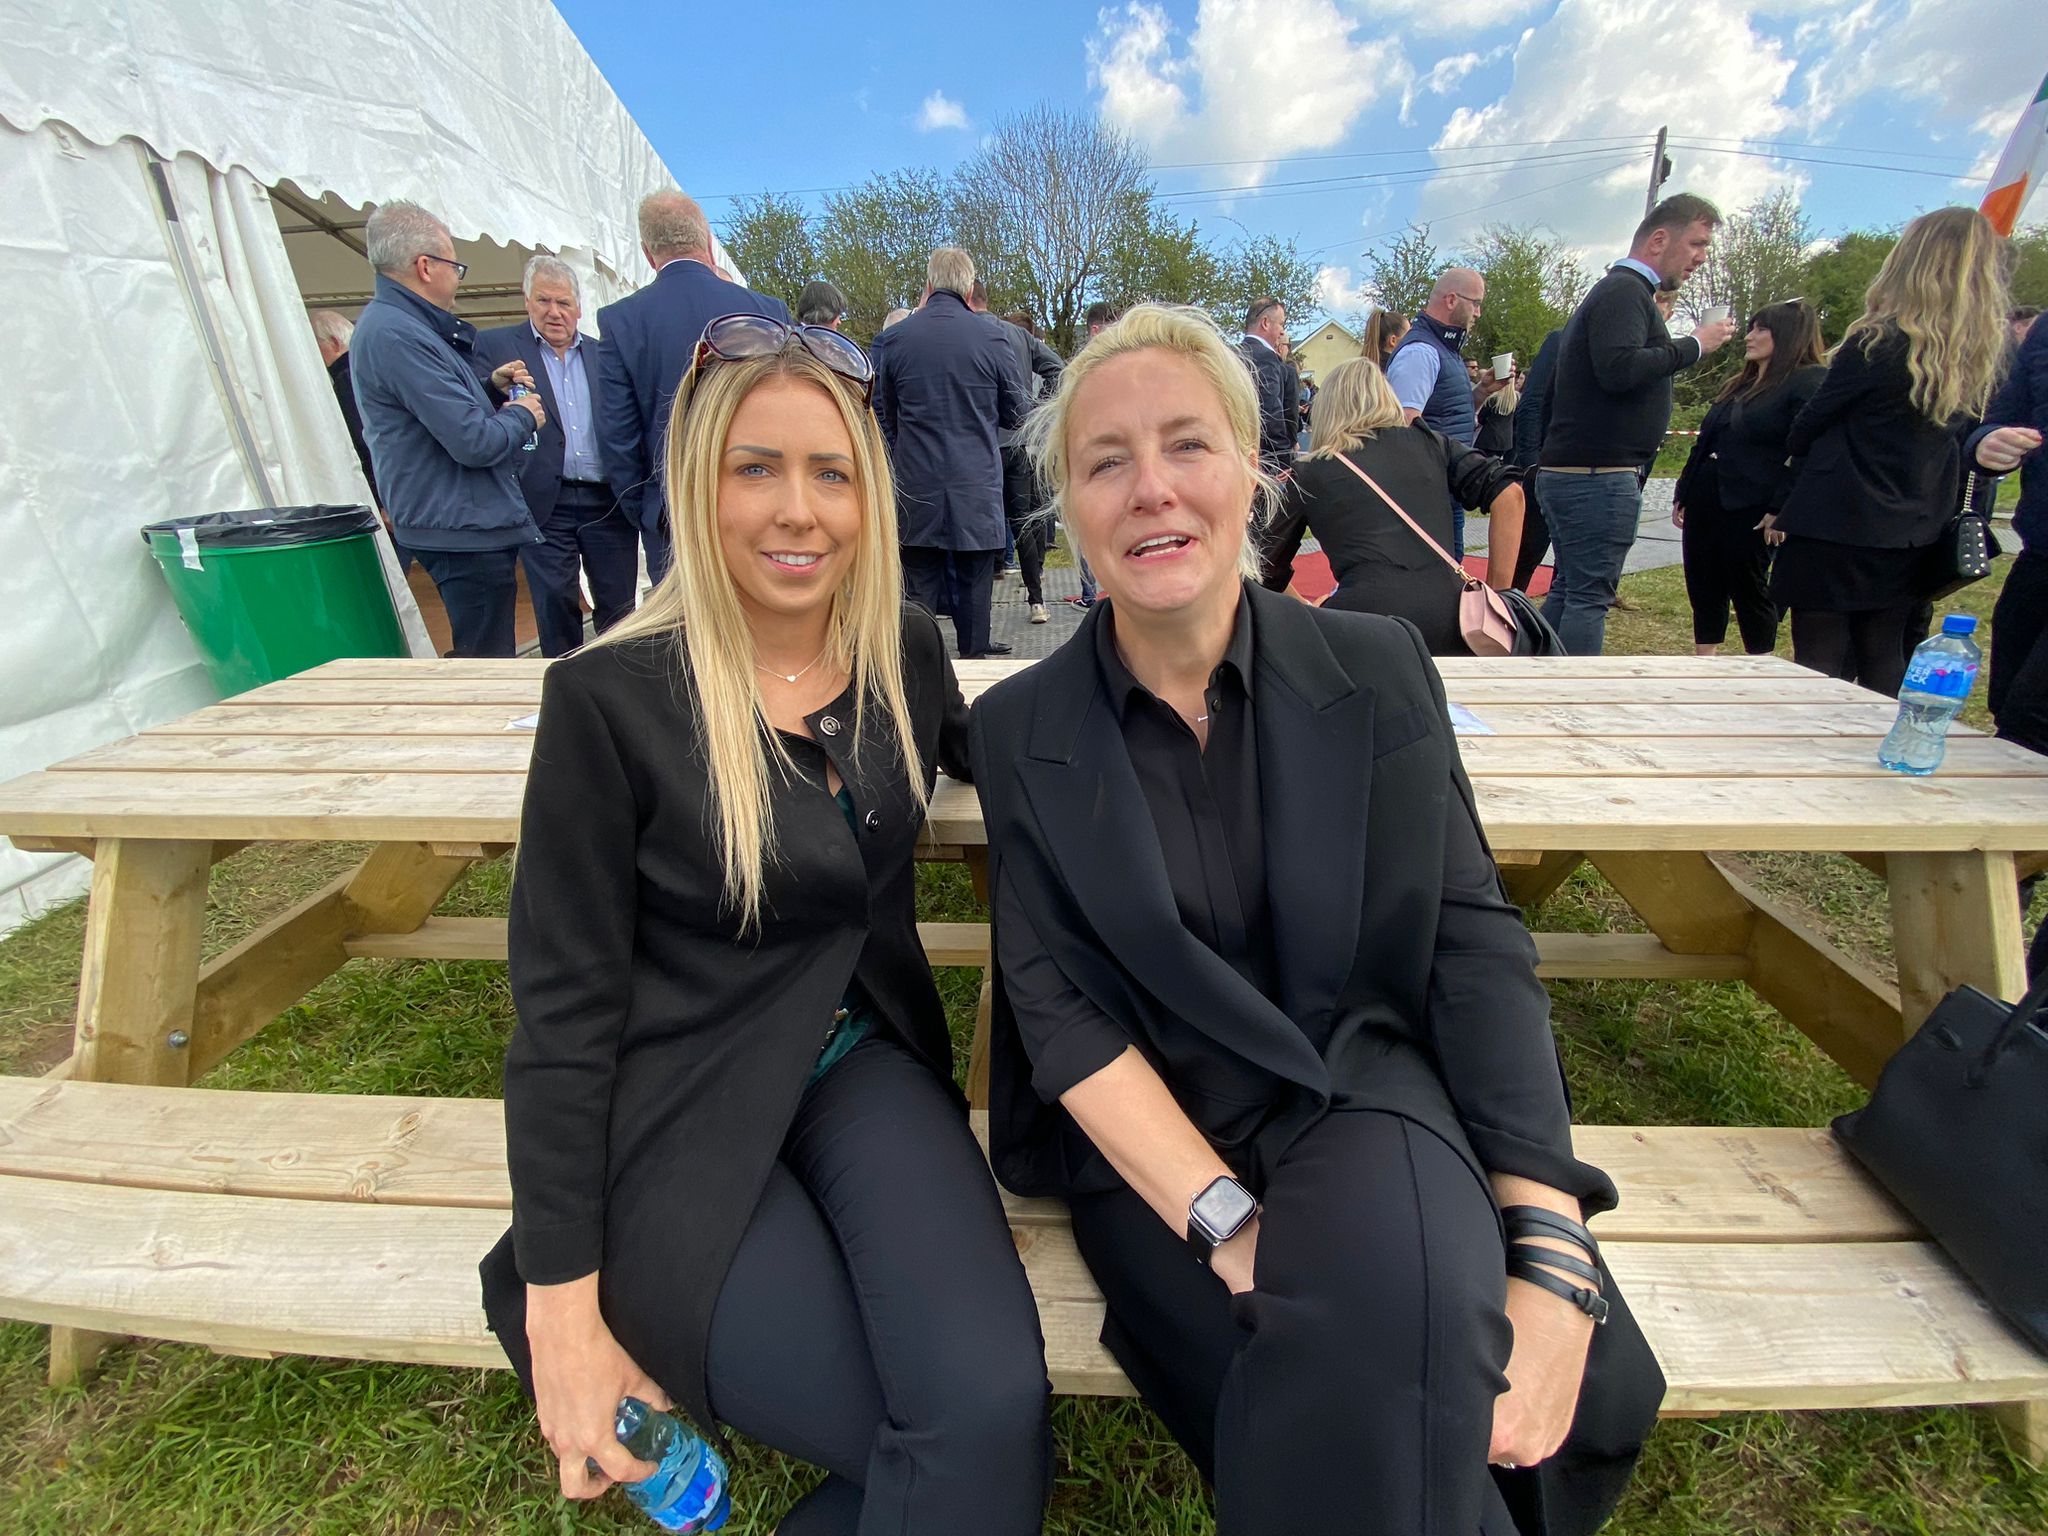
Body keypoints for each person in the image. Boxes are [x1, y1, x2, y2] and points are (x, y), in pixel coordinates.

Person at [972, 303, 1661, 1536]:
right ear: (1066, 505)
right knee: (1372, 1387)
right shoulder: (1020, 730)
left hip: (1358, 1090)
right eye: (1105, 461)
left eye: (1187, 444)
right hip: (1158, 1144)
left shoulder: (1377, 665)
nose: (1150, 488)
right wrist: (1232, 1231)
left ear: (1252, 471)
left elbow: (1469, 945)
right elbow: (1058, 1015)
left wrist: (1551, 1253)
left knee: (1376, 1337)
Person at [479, 312, 1052, 1536]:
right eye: (757, 468)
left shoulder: (902, 647)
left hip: (858, 1066)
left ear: (868, 497)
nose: (799, 511)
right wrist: (560, 1307)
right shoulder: (604, 702)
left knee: (992, 1409)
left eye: (830, 473)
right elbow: (561, 1020)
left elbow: (1014, 754)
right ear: (700, 484)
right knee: (932, 1449)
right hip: (673, 1109)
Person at [1769, 208, 2035, 697]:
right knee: (1884, 648)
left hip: (1837, 519)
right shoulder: (1981, 354)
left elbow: (1803, 430)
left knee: (1819, 657)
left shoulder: (1876, 341)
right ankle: (1879, 737)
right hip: (1915, 524)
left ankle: (1815, 738)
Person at [1537, 194, 1736, 655]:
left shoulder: (1618, 292)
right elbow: (1619, 368)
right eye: (1697, 244)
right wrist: (1694, 345)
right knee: (1588, 597)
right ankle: (1569, 694)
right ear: (1659, 239)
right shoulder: (1625, 292)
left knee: (1571, 589)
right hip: (1597, 476)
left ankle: (1537, 681)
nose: (1701, 258)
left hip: (1579, 470)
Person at [348, 200, 543, 658]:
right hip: (462, 525)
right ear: (425, 266)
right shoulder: (398, 334)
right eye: (455, 266)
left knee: (485, 651)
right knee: (486, 662)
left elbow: (432, 418)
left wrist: (488, 389)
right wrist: (523, 414)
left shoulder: (397, 327)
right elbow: (473, 442)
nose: (458, 278)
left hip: (457, 517)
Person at [1260, 356, 1526, 655]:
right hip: (1451, 618)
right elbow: (1510, 495)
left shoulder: (1312, 471)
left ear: (1326, 409)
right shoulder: (1432, 444)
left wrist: (1308, 609)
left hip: (1364, 622)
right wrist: (1498, 595)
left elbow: (1263, 566)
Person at [597, 190, 789, 584]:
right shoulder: (767, 312)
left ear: (648, 253)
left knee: (683, 621)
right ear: (708, 243)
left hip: (671, 515)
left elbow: (618, 436)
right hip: (761, 506)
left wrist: (647, 511)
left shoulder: (622, 321)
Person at [473, 256, 638, 658]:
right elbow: (472, 409)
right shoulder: (496, 348)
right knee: (555, 608)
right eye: (544, 301)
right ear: (526, 301)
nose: (554, 312)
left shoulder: (605, 354)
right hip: (544, 499)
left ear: (579, 308)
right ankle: (563, 683)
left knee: (619, 608)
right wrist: (493, 386)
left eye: (563, 303)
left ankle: (619, 683)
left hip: (607, 501)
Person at [871, 247, 1029, 659]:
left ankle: (917, 675)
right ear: (969, 288)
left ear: (928, 284)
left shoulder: (896, 339)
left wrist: (905, 448)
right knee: (975, 587)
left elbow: (884, 412)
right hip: (975, 482)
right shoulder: (992, 337)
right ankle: (974, 663)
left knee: (917, 591)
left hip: (915, 482)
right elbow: (1018, 412)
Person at [1670, 299, 1826, 657]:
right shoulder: (1739, 384)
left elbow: (1806, 452)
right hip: (1707, 495)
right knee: (1703, 581)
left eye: (1761, 329)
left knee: (1749, 587)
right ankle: (1704, 663)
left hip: (1753, 503)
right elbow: (1706, 441)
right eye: (1751, 327)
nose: (1749, 336)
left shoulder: (1806, 382)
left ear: (1787, 335)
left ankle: (1761, 662)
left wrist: (1781, 508)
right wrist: (1684, 490)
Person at [1976, 304, 2048, 755]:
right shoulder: (2044, 332)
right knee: (2006, 700)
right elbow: (2001, 416)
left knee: (2030, 716)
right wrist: (1987, 442)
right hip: (2038, 552)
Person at [972, 287, 1064, 624]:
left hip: (981, 444)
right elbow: (1057, 368)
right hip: (1018, 440)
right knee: (1023, 521)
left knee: (980, 524)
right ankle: (1036, 600)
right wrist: (1035, 410)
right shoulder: (1019, 335)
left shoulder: (967, 334)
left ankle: (976, 613)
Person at [1508, 327, 1563, 591]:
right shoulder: (1562, 341)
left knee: (1572, 566)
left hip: (1594, 470)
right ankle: (1507, 605)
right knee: (1528, 551)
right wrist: (1531, 462)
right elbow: (1531, 404)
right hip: (1547, 466)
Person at [310, 308, 378, 504]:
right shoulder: (374, 367)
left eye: (316, 346)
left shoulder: (347, 379)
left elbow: (366, 440)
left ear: (334, 342)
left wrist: (380, 498)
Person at [1237, 297, 1299, 476]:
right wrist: (1282, 461)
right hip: (1262, 463)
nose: (1282, 331)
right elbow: (1270, 412)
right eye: (1281, 324)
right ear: (1265, 323)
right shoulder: (1266, 358)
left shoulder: (1228, 354)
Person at [1474, 365, 1520, 459]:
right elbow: (1516, 421)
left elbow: (1481, 418)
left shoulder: (1493, 399)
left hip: (1488, 438)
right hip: (1506, 440)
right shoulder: (1516, 399)